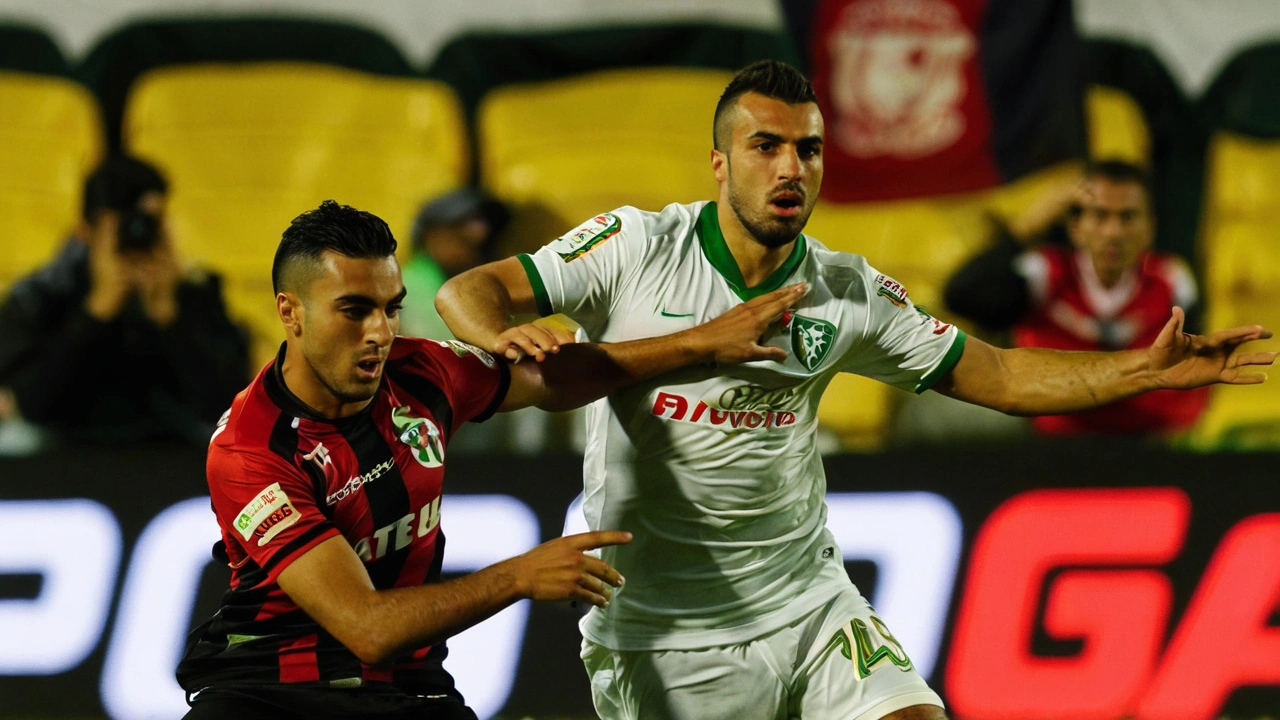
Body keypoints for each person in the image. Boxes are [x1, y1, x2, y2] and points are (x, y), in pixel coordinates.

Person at [434, 60, 1275, 720]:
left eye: (808, 148)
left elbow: (1004, 375)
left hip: (809, 602)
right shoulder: (635, 245)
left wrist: (1143, 367)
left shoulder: (847, 291)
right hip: (667, 631)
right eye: (766, 146)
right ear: (720, 164)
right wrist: (498, 335)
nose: (790, 167)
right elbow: (465, 290)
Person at [176, 199, 804, 720]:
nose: (379, 332)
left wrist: (698, 344)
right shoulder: (250, 449)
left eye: (391, 307)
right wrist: (518, 576)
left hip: (404, 689)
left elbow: (554, 381)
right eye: (354, 310)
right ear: (290, 312)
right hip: (267, 691)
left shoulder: (419, 374)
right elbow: (366, 626)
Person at [944, 160, 1209, 435]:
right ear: (1076, 226)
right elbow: (960, 296)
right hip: (1052, 437)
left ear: (1149, 228)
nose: (1113, 232)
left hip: (1144, 439)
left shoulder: (1172, 280)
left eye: (1127, 217)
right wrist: (1026, 228)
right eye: (1100, 216)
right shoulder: (1045, 273)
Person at [0, 154, 249, 446]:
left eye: (149, 223)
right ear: (85, 232)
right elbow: (31, 407)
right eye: (124, 227)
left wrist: (170, 317)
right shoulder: (42, 295)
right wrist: (95, 312)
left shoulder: (193, 293)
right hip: (64, 450)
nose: (138, 236)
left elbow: (227, 406)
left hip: (172, 451)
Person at [399, 188, 510, 340]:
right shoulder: (406, 286)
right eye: (459, 226)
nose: (479, 232)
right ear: (430, 234)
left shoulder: (485, 284)